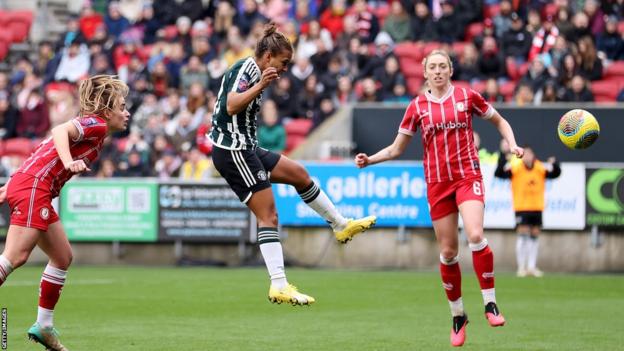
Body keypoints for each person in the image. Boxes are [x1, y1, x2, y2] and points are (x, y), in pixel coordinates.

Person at [354, 50, 524, 347]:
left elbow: (500, 121)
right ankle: (458, 316)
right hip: (437, 184)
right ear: (424, 72)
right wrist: (370, 160)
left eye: (442, 66)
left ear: (450, 69)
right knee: (447, 252)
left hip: (467, 177)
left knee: (475, 234)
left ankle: (490, 303)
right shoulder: (417, 106)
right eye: (432, 67)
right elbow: (396, 149)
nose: (437, 71)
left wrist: (513, 143)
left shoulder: (467, 96)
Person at [209, 24, 376, 306]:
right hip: (233, 150)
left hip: (247, 147)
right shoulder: (247, 70)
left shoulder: (256, 70)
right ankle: (279, 284)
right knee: (269, 216)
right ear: (268, 56)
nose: (285, 68)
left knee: (299, 174)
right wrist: (261, 85)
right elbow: (231, 105)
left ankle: (340, 225)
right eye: (283, 62)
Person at [0, 75, 130, 351]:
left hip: (33, 185)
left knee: (62, 256)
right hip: (36, 187)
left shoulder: (98, 132)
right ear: (107, 112)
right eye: (122, 106)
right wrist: (69, 162)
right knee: (15, 257)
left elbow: (44, 148)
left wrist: (13, 182)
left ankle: (44, 327)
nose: (126, 112)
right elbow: (59, 131)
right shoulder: (97, 124)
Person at [494, 142, 561, 277]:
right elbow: (499, 173)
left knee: (534, 237)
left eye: (530, 153)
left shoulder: (539, 168)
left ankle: (532, 267)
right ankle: (521, 267)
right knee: (523, 236)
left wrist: (556, 164)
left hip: (537, 207)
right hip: (522, 207)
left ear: (533, 155)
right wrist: (502, 159)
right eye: (525, 154)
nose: (528, 156)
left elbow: (555, 174)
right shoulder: (516, 168)